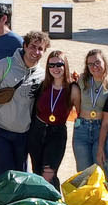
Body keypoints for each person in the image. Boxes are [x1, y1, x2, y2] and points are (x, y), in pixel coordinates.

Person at [0, 30, 49, 175]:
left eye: (40, 49)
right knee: (5, 176)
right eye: (32, 46)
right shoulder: (4, 65)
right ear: (24, 46)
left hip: (24, 134)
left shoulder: (42, 75)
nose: (36, 52)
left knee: (21, 175)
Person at [27, 49, 75, 183]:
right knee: (37, 172)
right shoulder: (43, 85)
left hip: (57, 133)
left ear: (65, 66)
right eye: (51, 65)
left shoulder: (72, 88)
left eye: (59, 65)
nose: (55, 68)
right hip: (37, 131)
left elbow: (81, 113)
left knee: (49, 174)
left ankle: (55, 197)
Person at [73, 49, 108, 174]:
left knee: (100, 171)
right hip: (81, 128)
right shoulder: (82, 80)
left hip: (101, 129)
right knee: (83, 173)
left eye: (97, 62)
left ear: (104, 62)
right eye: (90, 64)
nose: (94, 66)